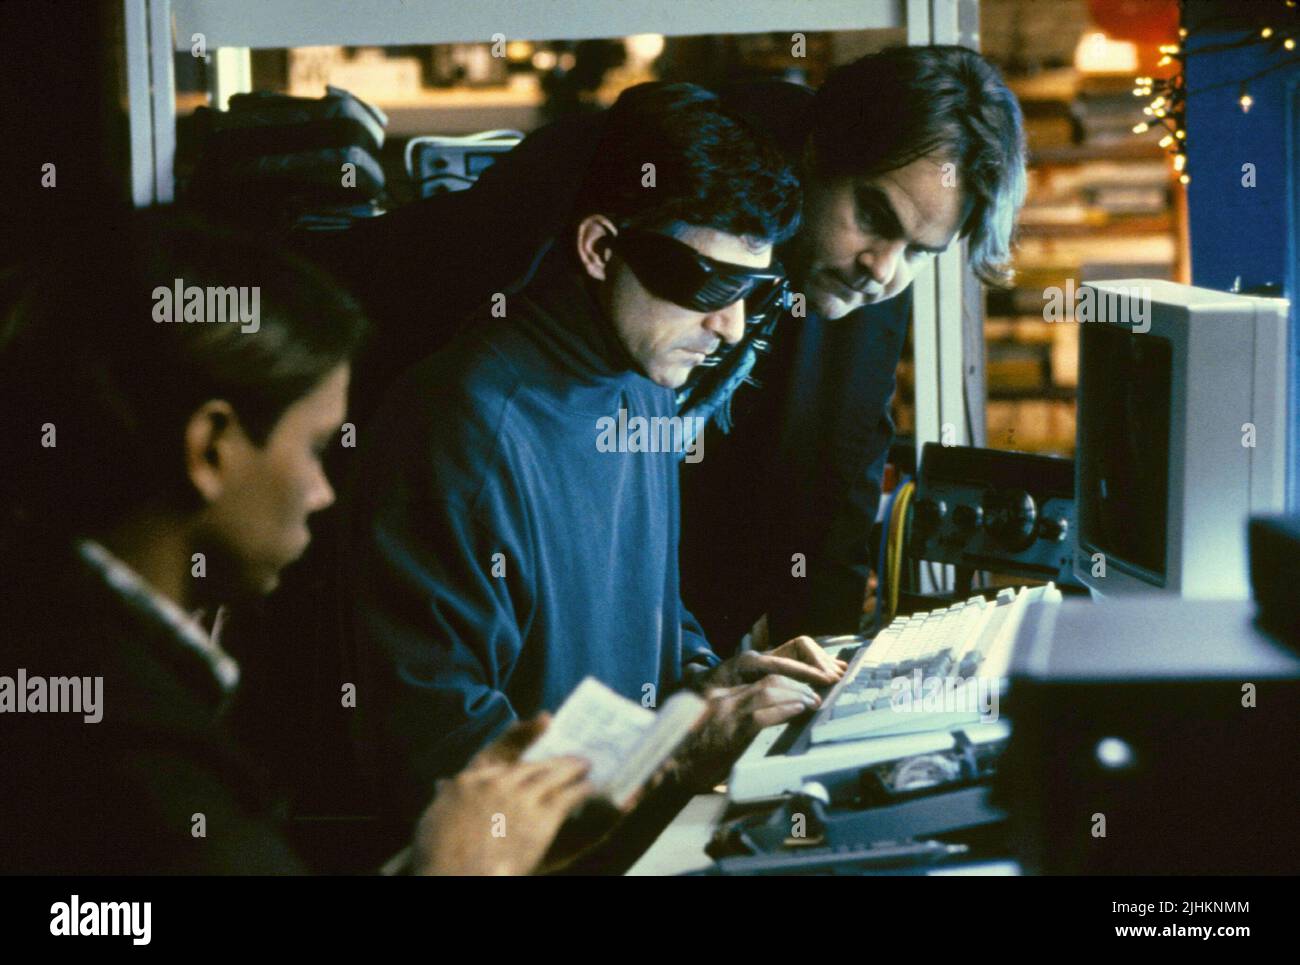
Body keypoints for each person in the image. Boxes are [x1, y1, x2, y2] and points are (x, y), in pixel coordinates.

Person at [312, 45, 1027, 653]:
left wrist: (816, 689)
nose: (884, 269)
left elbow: (837, 477)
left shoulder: (867, 271)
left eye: (921, 253)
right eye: (874, 216)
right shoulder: (657, 164)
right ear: (819, 151)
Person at [0, 211, 593, 875]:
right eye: (314, 448)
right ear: (211, 448)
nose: (323, 492)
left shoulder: (70, 658)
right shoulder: (125, 756)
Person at [340, 83, 846, 837]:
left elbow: (646, 618)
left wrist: (712, 680)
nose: (733, 327)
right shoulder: (464, 429)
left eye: (753, 289)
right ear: (601, 247)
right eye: (710, 283)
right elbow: (444, 763)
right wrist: (675, 750)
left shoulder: (641, 385)